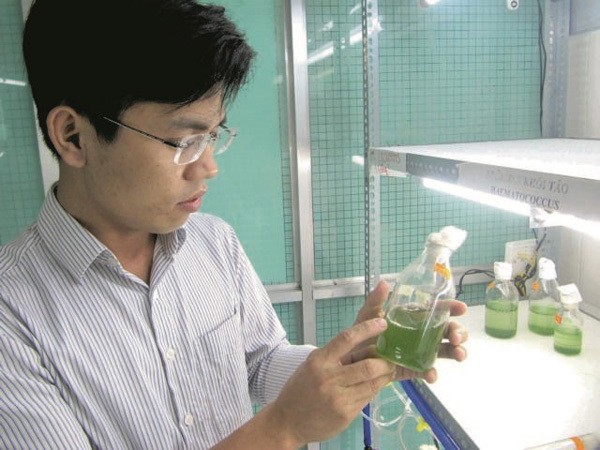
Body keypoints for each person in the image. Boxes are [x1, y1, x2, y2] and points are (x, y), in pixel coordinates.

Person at [0, 0, 469, 448]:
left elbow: (261, 362)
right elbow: (280, 422)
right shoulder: (12, 316)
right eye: (184, 140)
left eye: (213, 136)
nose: (207, 167)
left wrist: (354, 359)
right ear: (73, 135)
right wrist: (282, 429)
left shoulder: (213, 242)